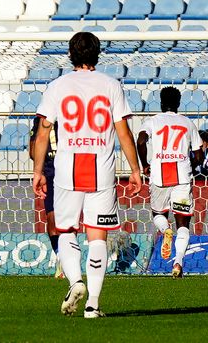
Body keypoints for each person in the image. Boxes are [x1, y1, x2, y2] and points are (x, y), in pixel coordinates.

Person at [33, 32, 142, 319]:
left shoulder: (57, 86)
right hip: (101, 169)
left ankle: (75, 282)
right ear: (97, 54)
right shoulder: (111, 85)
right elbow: (123, 131)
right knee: (97, 236)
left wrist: (37, 171)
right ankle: (92, 304)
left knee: (66, 231)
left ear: (71, 54)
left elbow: (43, 131)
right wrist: (134, 169)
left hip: (67, 168)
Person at [136, 86, 203, 279]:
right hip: (182, 176)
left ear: (161, 102)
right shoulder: (187, 122)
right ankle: (178, 262)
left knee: (158, 214)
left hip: (159, 174)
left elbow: (141, 141)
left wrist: (145, 165)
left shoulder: (152, 121)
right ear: (179, 103)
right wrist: (189, 163)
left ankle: (165, 231)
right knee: (183, 223)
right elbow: (199, 154)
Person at [29, 117, 64, 279]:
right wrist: (40, 170)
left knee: (67, 220)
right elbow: (31, 150)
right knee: (52, 218)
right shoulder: (40, 120)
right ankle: (60, 257)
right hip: (50, 173)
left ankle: (66, 257)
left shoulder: (68, 115)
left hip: (67, 170)